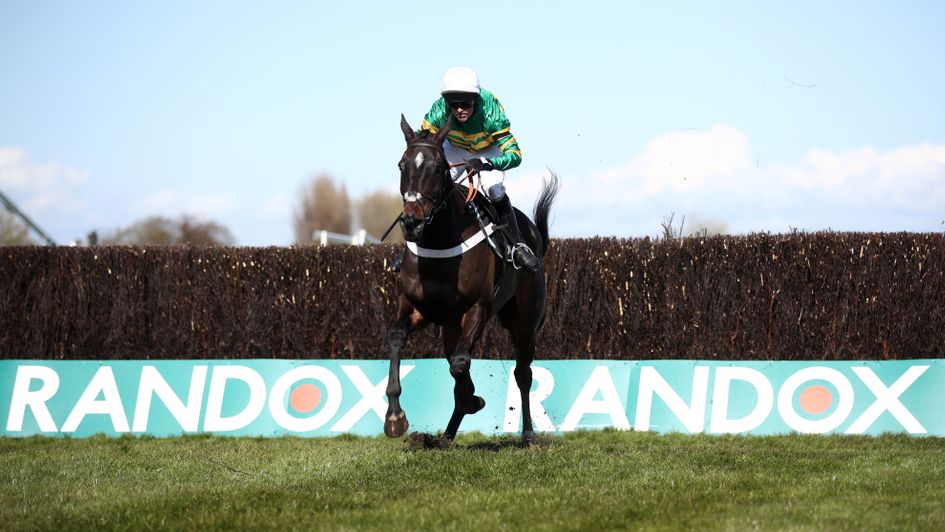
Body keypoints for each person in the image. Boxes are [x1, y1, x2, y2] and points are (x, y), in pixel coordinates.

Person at [393, 66, 540, 272]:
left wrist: (488, 164)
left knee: (492, 189)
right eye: (454, 104)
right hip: (454, 148)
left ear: (476, 100)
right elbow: (419, 146)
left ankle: (516, 245)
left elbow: (515, 155)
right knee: (434, 187)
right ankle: (411, 247)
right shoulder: (438, 111)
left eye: (466, 103)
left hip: (489, 149)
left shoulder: (491, 111)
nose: (460, 109)